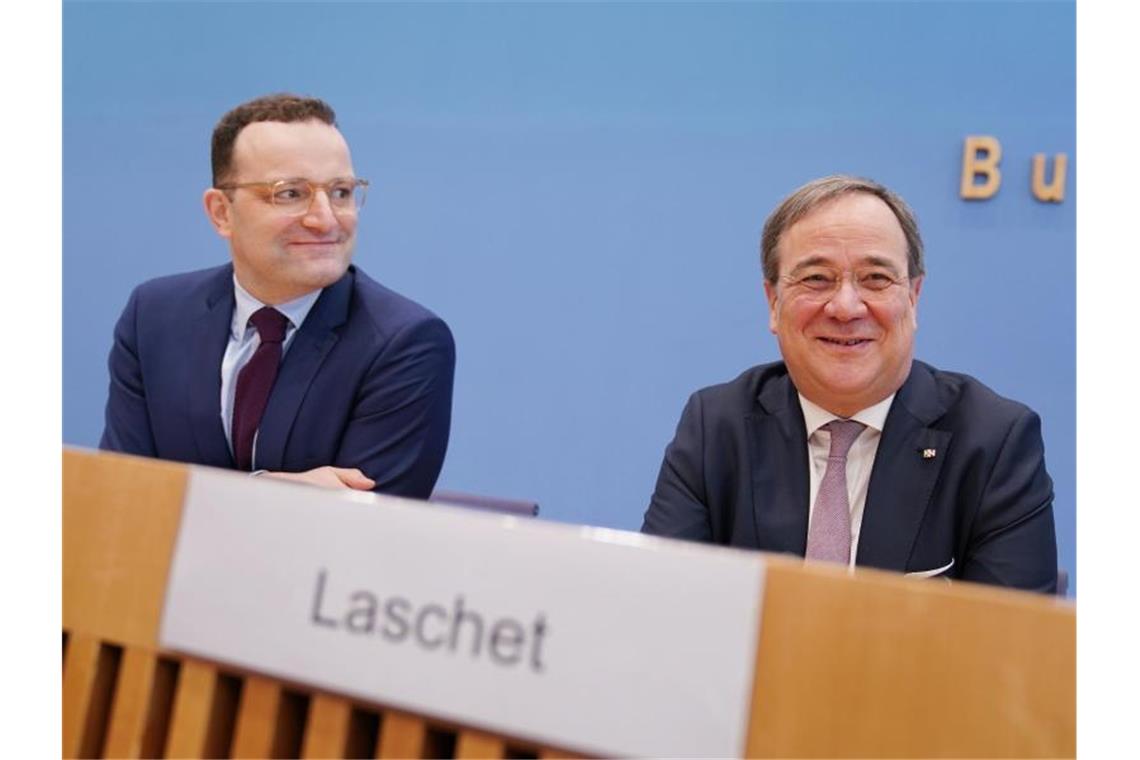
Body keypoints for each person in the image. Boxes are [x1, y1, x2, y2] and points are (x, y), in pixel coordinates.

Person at [641, 175, 1057, 593]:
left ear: (913, 298)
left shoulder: (993, 441)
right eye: (816, 279)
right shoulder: (716, 427)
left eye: (875, 278)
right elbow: (661, 611)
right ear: (773, 302)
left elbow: (1010, 651)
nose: (845, 307)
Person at [100, 94, 455, 498]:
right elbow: (119, 497)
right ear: (221, 212)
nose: (325, 219)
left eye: (340, 192)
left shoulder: (403, 343)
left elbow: (358, 534)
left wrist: (194, 495)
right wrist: (267, 489)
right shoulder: (155, 316)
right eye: (290, 193)